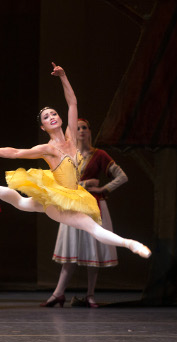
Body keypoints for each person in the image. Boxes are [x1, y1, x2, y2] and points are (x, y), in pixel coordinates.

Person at [0, 63, 151, 268]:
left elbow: (72, 103)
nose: (52, 117)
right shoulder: (48, 148)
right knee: (30, 206)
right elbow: (19, 152)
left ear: (60, 118)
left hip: (70, 194)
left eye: (54, 114)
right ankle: (130, 244)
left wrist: (63, 76)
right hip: (57, 201)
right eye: (47, 117)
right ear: (43, 126)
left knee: (23, 203)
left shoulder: (71, 137)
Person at [43, 118, 128, 308]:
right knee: (70, 250)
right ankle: (58, 293)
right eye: (78, 128)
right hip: (72, 205)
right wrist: (86, 184)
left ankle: (90, 294)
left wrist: (103, 188)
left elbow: (122, 176)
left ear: (90, 131)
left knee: (93, 251)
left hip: (92, 206)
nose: (81, 131)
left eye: (84, 128)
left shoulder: (99, 155)